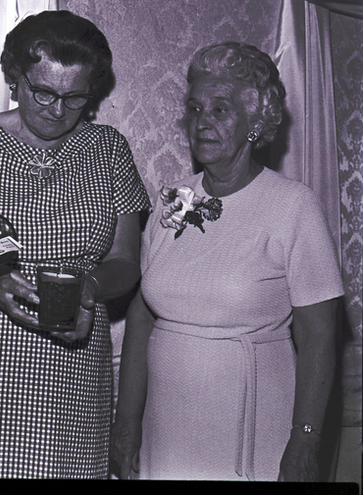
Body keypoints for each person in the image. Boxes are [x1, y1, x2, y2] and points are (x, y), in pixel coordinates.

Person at [0, 9, 150, 478]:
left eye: (74, 97)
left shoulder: (109, 150)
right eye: (43, 92)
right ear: (15, 78)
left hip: (74, 365)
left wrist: (90, 286)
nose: (57, 110)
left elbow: (126, 261)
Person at [111, 42, 344, 481]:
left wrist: (306, 441)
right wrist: (126, 423)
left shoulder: (293, 206)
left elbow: (318, 335)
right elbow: (141, 319)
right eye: (195, 109)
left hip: (248, 426)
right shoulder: (174, 199)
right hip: (166, 426)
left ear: (256, 121)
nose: (203, 122)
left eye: (220, 110)